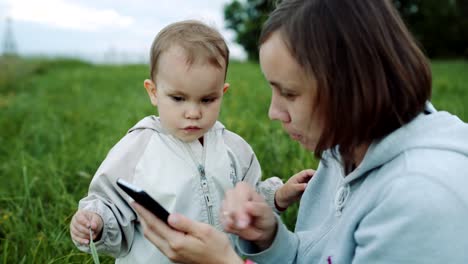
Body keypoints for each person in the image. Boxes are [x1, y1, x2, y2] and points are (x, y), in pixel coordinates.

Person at [132, 0, 468, 263]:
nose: (274, 113)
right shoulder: (342, 149)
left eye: (289, 94)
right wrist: (271, 239)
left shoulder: (421, 201)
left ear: (352, 86)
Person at [69, 20, 312, 263]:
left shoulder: (234, 148)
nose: (193, 112)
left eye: (207, 100)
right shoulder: (137, 148)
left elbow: (249, 201)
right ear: (153, 91)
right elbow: (109, 201)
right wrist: (96, 221)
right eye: (178, 98)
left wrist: (278, 196)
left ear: (222, 93)